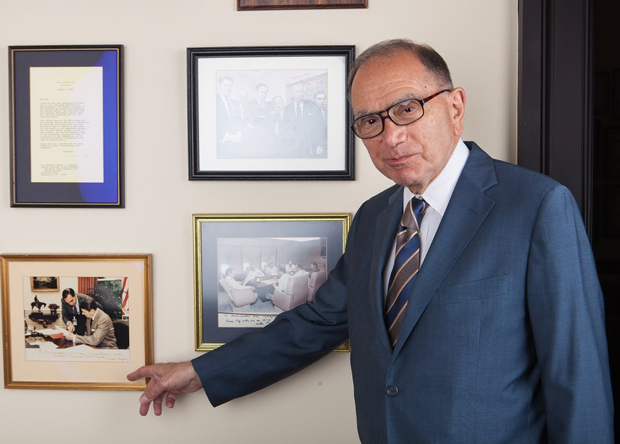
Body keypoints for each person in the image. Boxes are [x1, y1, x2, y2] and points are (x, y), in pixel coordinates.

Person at [127, 39, 614, 443]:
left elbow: (577, 376)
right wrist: (199, 372)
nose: (391, 137)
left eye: (407, 109)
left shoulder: (537, 206)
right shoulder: (375, 217)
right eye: (370, 121)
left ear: (455, 106)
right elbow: (318, 323)